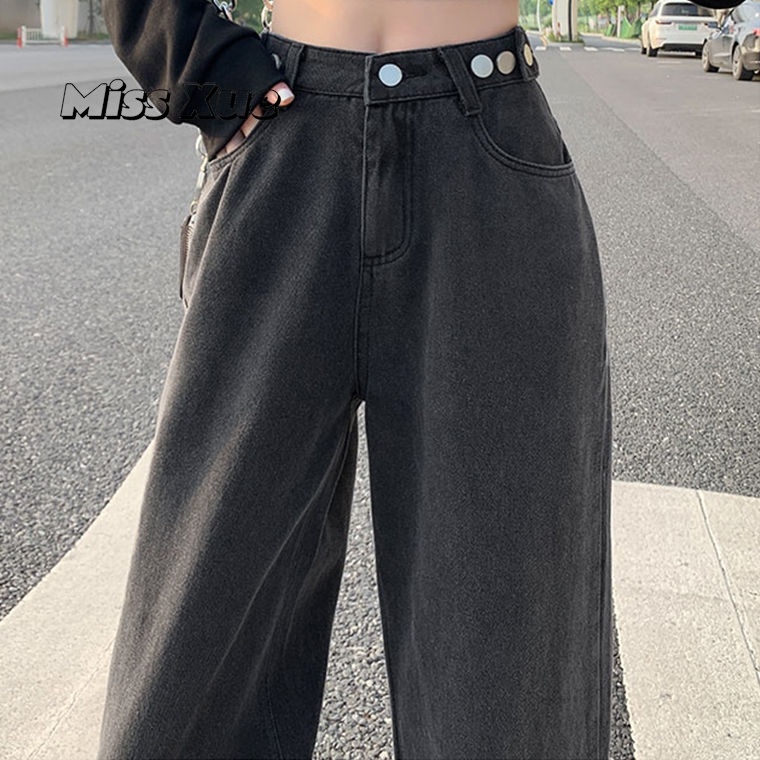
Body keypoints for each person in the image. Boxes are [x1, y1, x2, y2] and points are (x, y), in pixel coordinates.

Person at [98, 1, 619, 758]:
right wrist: (195, 63)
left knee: (505, 681)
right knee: (190, 654)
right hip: (284, 141)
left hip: (492, 160)